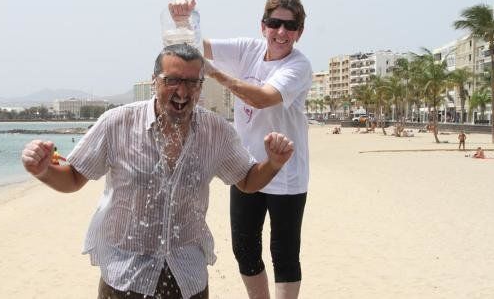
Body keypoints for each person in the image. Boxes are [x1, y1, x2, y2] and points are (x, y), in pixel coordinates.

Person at [21, 44, 295, 299]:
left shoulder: (217, 132)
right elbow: (73, 177)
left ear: (201, 85)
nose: (183, 92)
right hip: (125, 276)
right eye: (172, 80)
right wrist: (44, 170)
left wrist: (273, 163)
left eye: (192, 82)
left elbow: (246, 180)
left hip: (188, 276)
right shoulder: (117, 123)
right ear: (154, 81)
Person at [169, 0, 311, 298]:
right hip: (245, 168)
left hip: (285, 173)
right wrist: (182, 22)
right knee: (244, 249)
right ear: (263, 27)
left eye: (290, 26)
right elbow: (198, 46)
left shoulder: (298, 66)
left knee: (283, 253)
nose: (281, 32)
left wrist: (216, 74)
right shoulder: (249, 49)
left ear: (300, 32)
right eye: (274, 24)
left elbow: (262, 97)